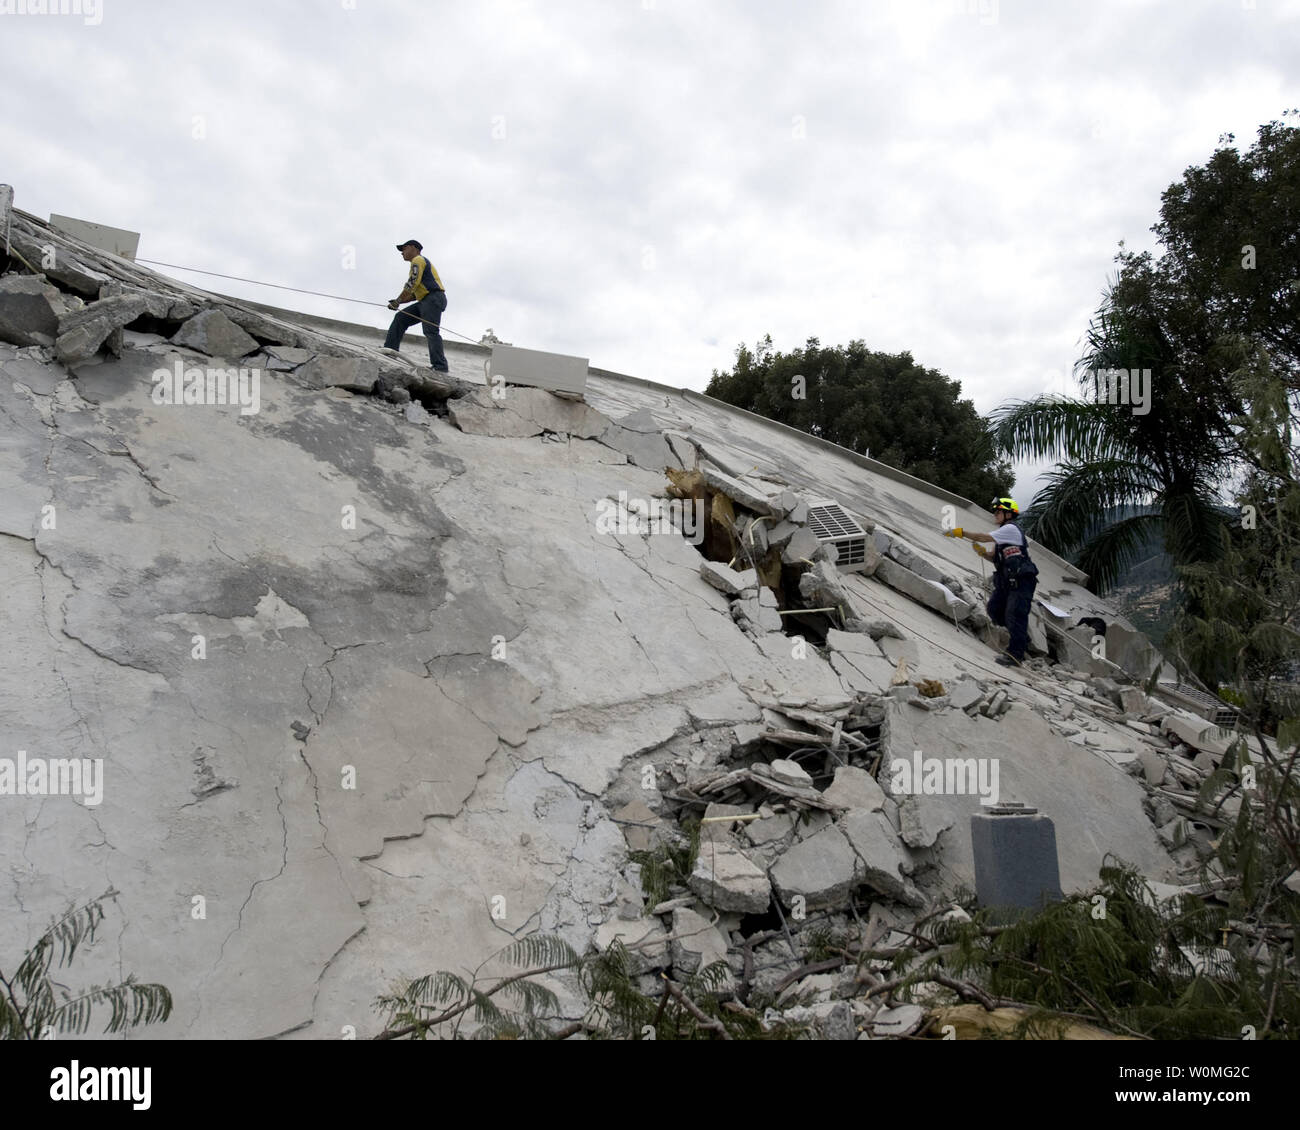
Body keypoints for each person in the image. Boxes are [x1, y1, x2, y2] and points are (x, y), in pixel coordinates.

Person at [944, 497, 1039, 667]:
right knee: (994, 610)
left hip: (1021, 581)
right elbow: (995, 558)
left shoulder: (1010, 529)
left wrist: (962, 532)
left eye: (998, 511)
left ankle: (1015, 655)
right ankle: (1021, 637)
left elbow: (982, 537)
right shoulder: (1002, 535)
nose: (995, 514)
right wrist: (982, 554)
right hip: (1006, 582)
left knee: (1015, 614)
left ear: (1008, 514)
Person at [383, 239, 448, 372]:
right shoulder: (419, 262)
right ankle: (389, 350)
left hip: (432, 299)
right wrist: (399, 301)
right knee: (400, 318)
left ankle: (440, 366)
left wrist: (398, 301)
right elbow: (414, 294)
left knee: (431, 331)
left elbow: (412, 283)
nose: (402, 253)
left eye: (404, 249)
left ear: (413, 248)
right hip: (425, 300)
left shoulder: (418, 260)